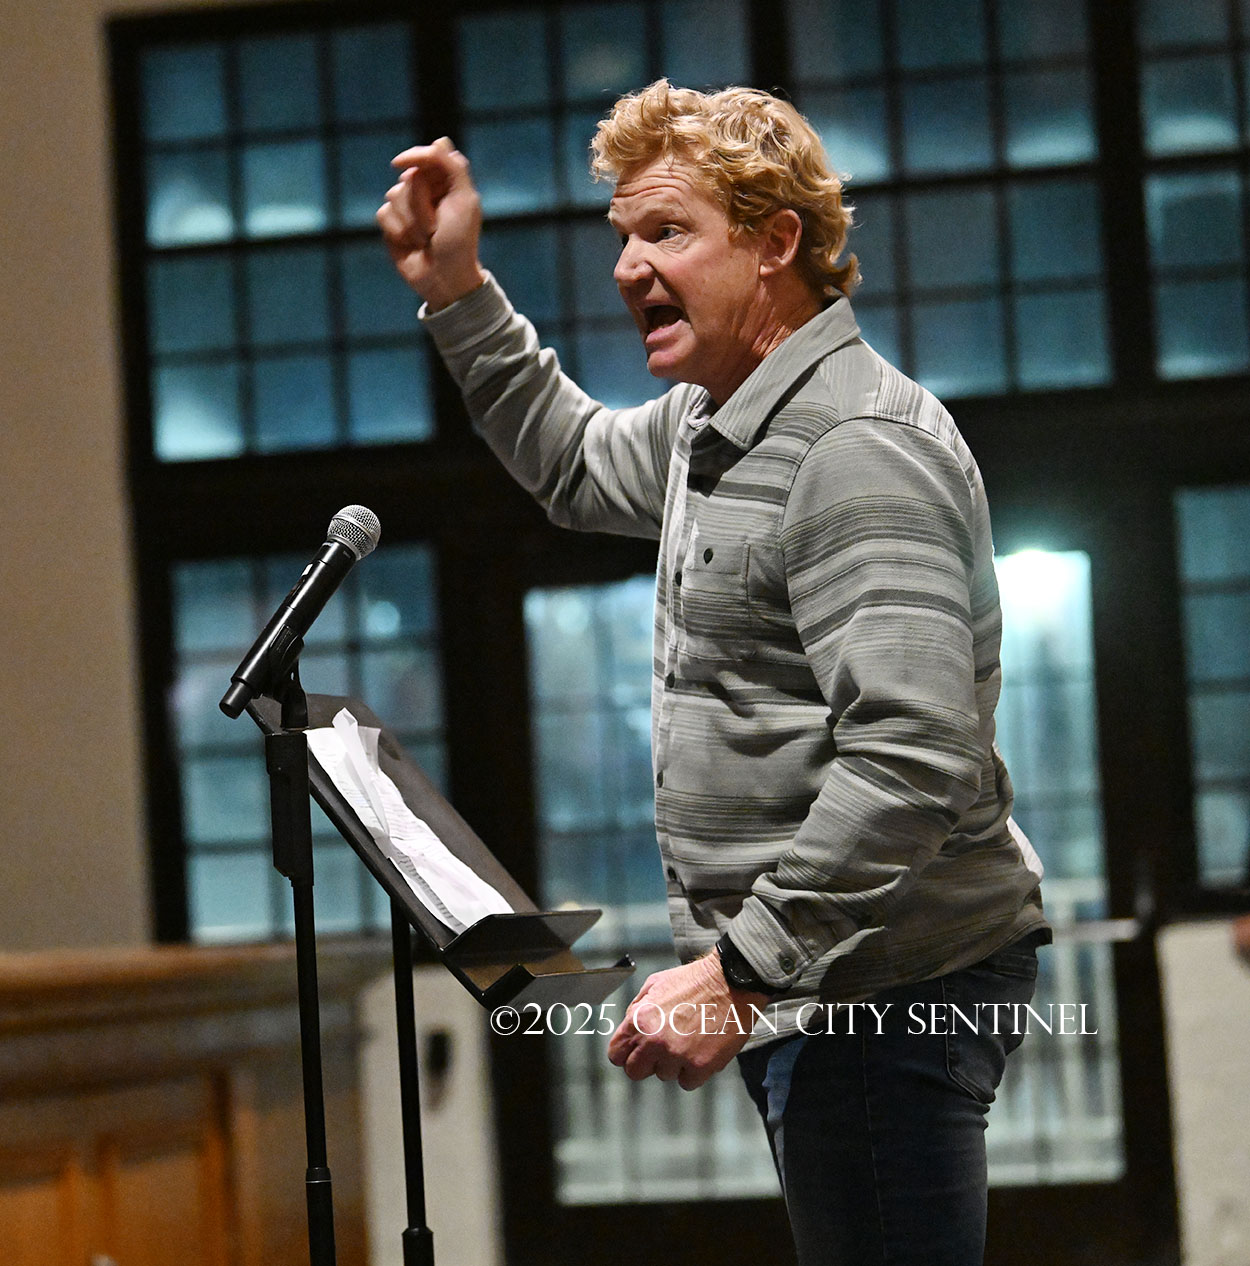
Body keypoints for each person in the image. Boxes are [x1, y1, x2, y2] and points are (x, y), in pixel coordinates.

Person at [378, 80, 1049, 1266]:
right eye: (623, 237)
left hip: (881, 982)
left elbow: (911, 757)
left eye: (666, 231)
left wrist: (740, 973)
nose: (628, 266)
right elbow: (572, 462)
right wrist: (459, 290)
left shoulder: (849, 446)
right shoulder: (716, 423)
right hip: (825, 975)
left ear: (774, 241)